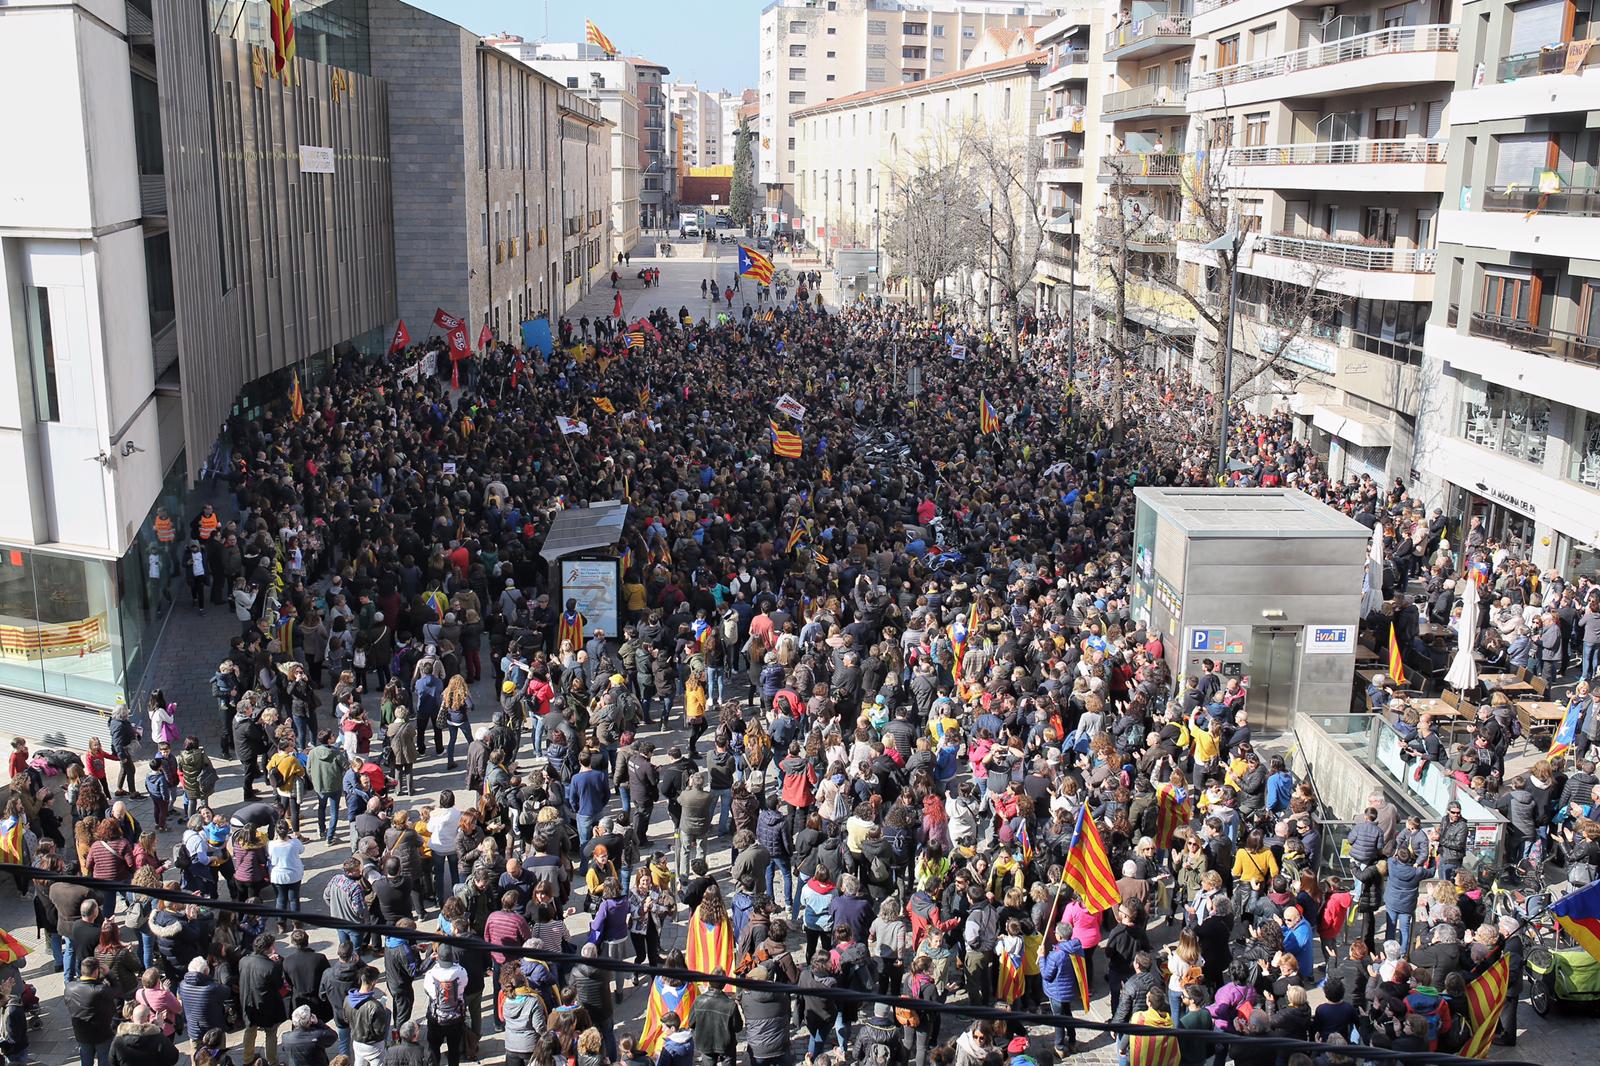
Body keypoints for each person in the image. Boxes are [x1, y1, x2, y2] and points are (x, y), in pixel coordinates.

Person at [65, 957, 118, 1066]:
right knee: (104, 1059)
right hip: (102, 1034)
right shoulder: (100, 990)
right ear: (95, 972)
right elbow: (118, 990)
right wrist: (109, 974)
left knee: (86, 1060)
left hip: (81, 1034)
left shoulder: (69, 988)